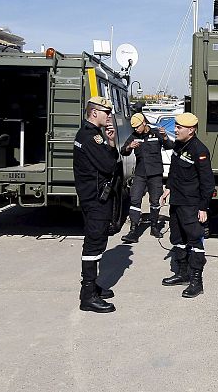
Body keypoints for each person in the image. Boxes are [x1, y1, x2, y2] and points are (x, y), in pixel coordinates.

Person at [160, 112, 215, 298]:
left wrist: (203, 207)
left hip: (191, 205)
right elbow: (174, 171)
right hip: (177, 201)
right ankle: (182, 274)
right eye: (175, 126)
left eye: (179, 127)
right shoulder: (179, 145)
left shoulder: (200, 150)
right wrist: (168, 188)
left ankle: (196, 282)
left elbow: (208, 183)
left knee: (195, 242)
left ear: (190, 130)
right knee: (177, 239)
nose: (175, 130)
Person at [73, 96, 119, 313]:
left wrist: (110, 142)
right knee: (94, 244)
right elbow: (110, 165)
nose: (109, 116)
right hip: (95, 199)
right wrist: (110, 145)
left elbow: (110, 160)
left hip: (93, 197)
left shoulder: (91, 135)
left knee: (98, 242)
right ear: (94, 113)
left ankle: (93, 287)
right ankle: (88, 295)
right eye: (106, 112)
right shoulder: (91, 137)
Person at [119, 112, 174, 241]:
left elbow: (170, 146)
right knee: (135, 200)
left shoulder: (156, 133)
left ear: (144, 123)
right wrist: (129, 147)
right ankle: (133, 230)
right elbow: (123, 151)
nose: (135, 129)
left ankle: (154, 227)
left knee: (155, 201)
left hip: (155, 174)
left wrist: (165, 137)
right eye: (134, 128)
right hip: (140, 174)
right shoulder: (134, 136)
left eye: (137, 126)